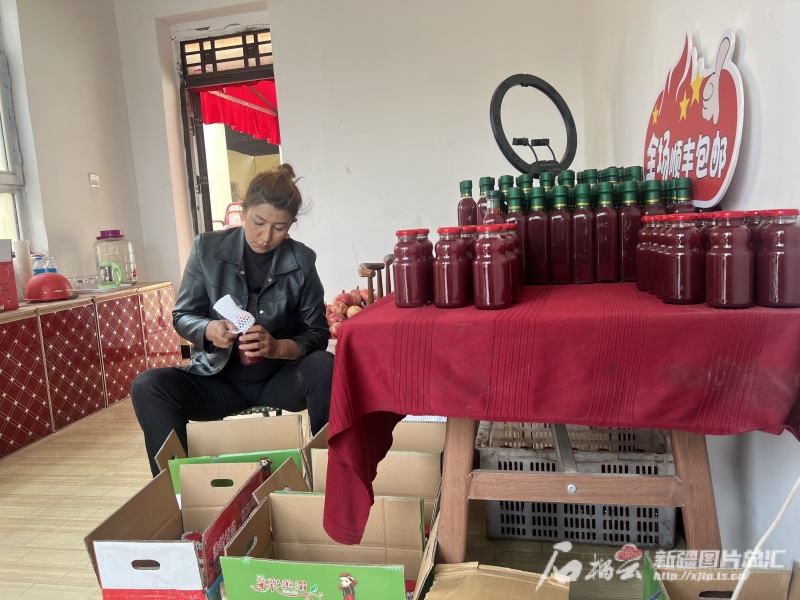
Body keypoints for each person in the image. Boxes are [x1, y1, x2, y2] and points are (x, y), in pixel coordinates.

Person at [131, 164, 333, 476]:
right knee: (148, 386)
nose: (266, 236)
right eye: (258, 222)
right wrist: (209, 329)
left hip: (279, 380)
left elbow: (317, 333)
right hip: (217, 380)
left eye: (279, 228)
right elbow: (183, 316)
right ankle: (176, 490)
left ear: (291, 224)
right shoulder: (207, 249)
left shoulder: (302, 260)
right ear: (243, 210)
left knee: (325, 366)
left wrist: (277, 347)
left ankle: (330, 474)